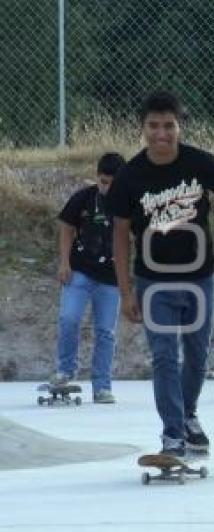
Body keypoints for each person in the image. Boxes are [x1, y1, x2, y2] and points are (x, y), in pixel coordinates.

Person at [108, 91, 214, 457]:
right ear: (142, 128)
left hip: (198, 275)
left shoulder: (200, 163)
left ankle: (188, 414)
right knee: (163, 355)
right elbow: (121, 236)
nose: (161, 133)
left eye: (168, 126)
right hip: (153, 280)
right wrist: (126, 292)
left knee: (198, 352)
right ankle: (172, 434)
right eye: (153, 126)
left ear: (179, 126)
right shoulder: (129, 175)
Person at [52, 152, 126, 403]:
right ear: (97, 177)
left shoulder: (128, 204)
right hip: (80, 271)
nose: (107, 187)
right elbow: (66, 227)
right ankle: (65, 369)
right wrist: (64, 262)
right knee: (68, 318)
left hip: (111, 278)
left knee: (106, 331)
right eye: (103, 181)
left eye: (112, 183)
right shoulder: (83, 198)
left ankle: (102, 386)